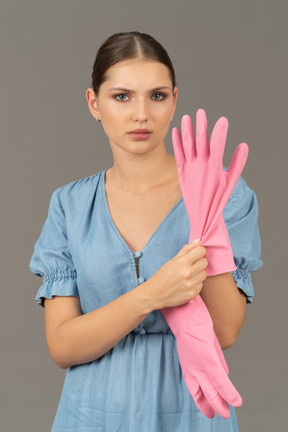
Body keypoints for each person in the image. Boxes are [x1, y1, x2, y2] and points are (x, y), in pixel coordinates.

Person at [29, 31, 263, 431]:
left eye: (157, 96)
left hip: (190, 410)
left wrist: (205, 217)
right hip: (90, 415)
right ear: (94, 104)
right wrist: (154, 293)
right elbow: (62, 345)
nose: (141, 114)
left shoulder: (223, 193)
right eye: (122, 96)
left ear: (174, 100)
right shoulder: (70, 205)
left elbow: (224, 330)